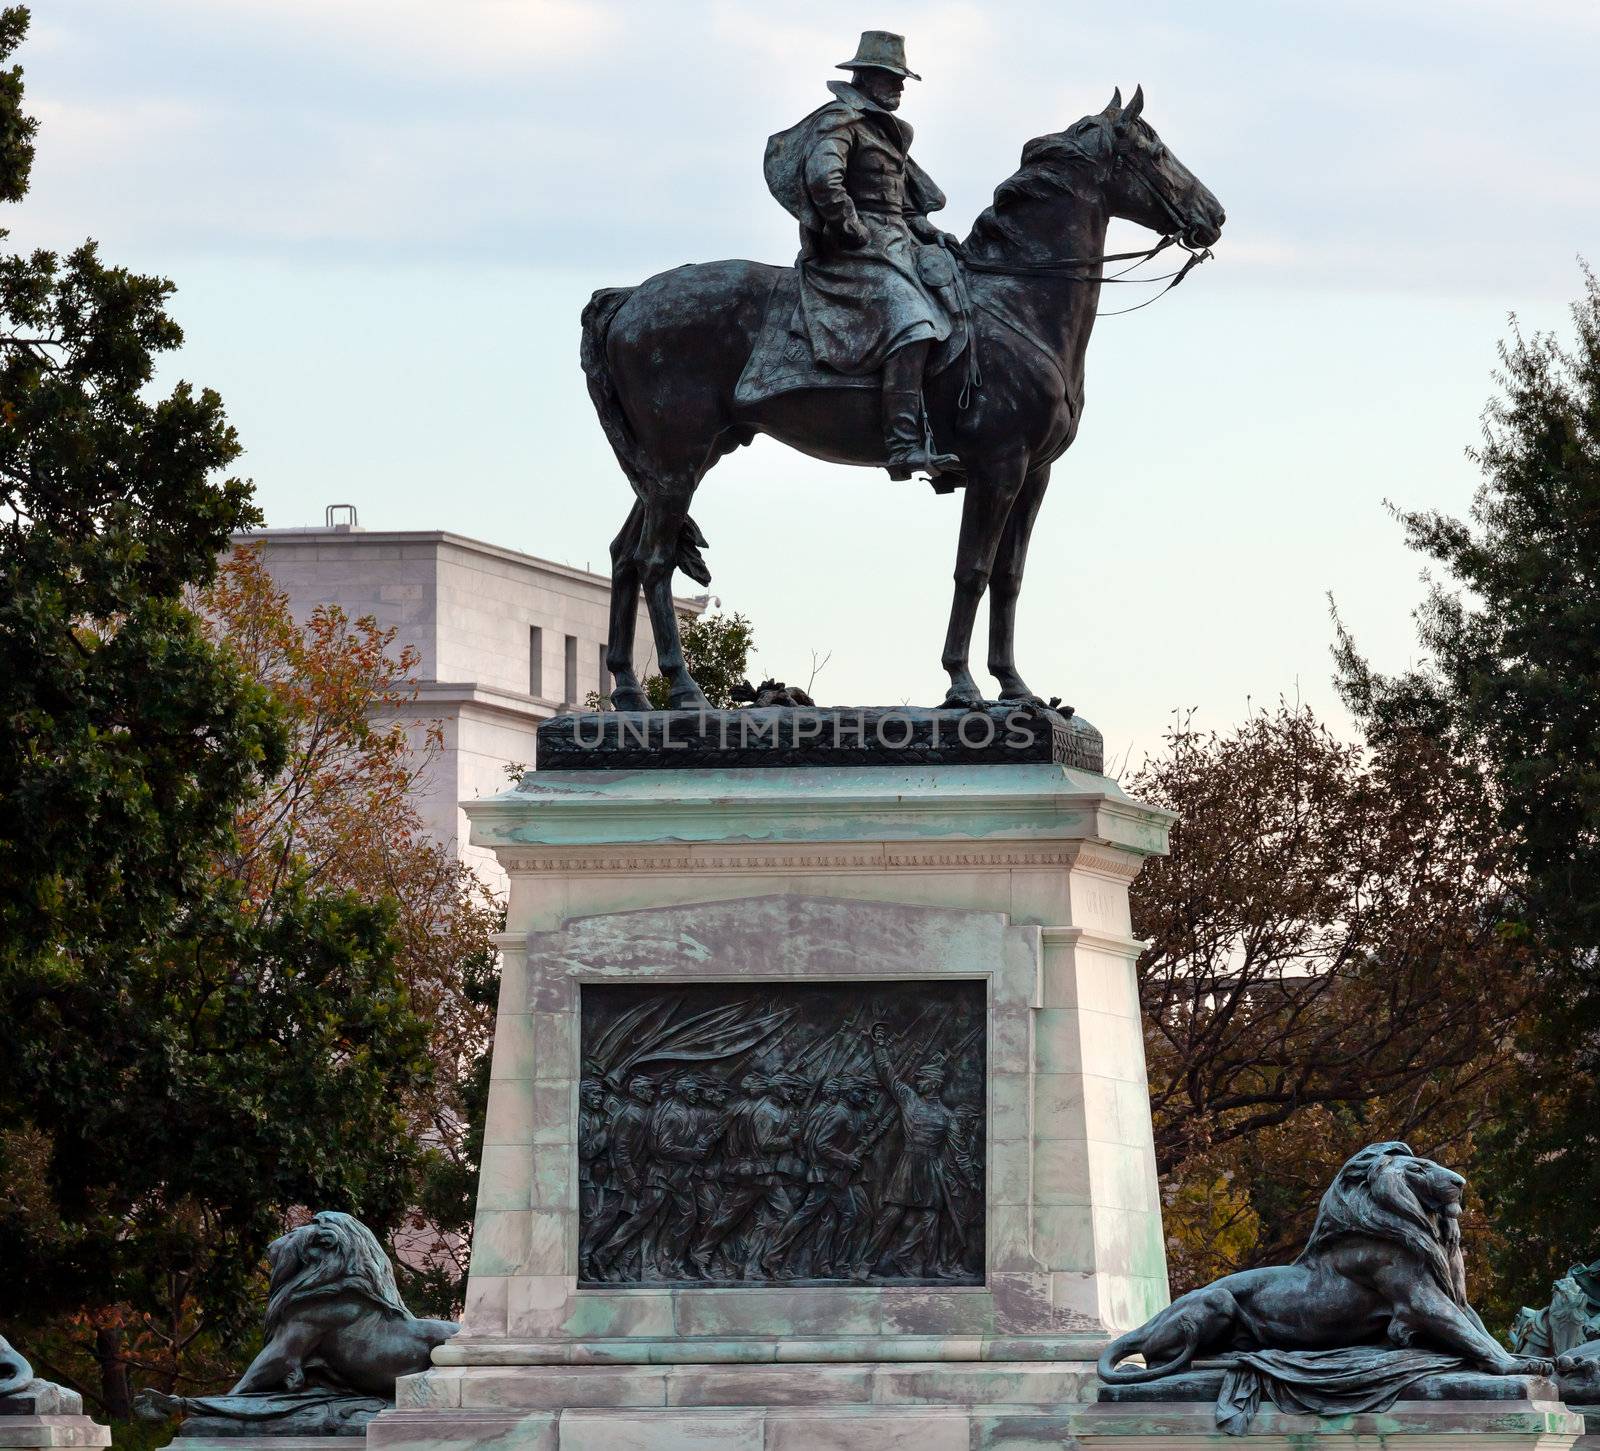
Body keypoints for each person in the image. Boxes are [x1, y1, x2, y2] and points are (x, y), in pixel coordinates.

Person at [764, 29, 960, 481]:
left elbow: (904, 203)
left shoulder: (886, 131)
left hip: (898, 243)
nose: (900, 86)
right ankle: (903, 442)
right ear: (868, 77)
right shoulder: (842, 120)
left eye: (901, 78)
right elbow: (822, 179)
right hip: (854, 250)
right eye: (892, 78)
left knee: (959, 294)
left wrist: (928, 230)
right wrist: (849, 226)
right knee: (912, 318)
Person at [859, 1022, 960, 1278]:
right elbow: (887, 1073)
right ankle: (864, 1265)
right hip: (908, 1163)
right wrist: (879, 1045)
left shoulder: (948, 1117)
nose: (918, 1082)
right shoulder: (909, 1099)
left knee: (930, 1218)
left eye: (923, 1079)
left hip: (931, 1167)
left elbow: (960, 1152)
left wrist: (968, 1178)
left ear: (934, 1084)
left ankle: (931, 1266)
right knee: (892, 1214)